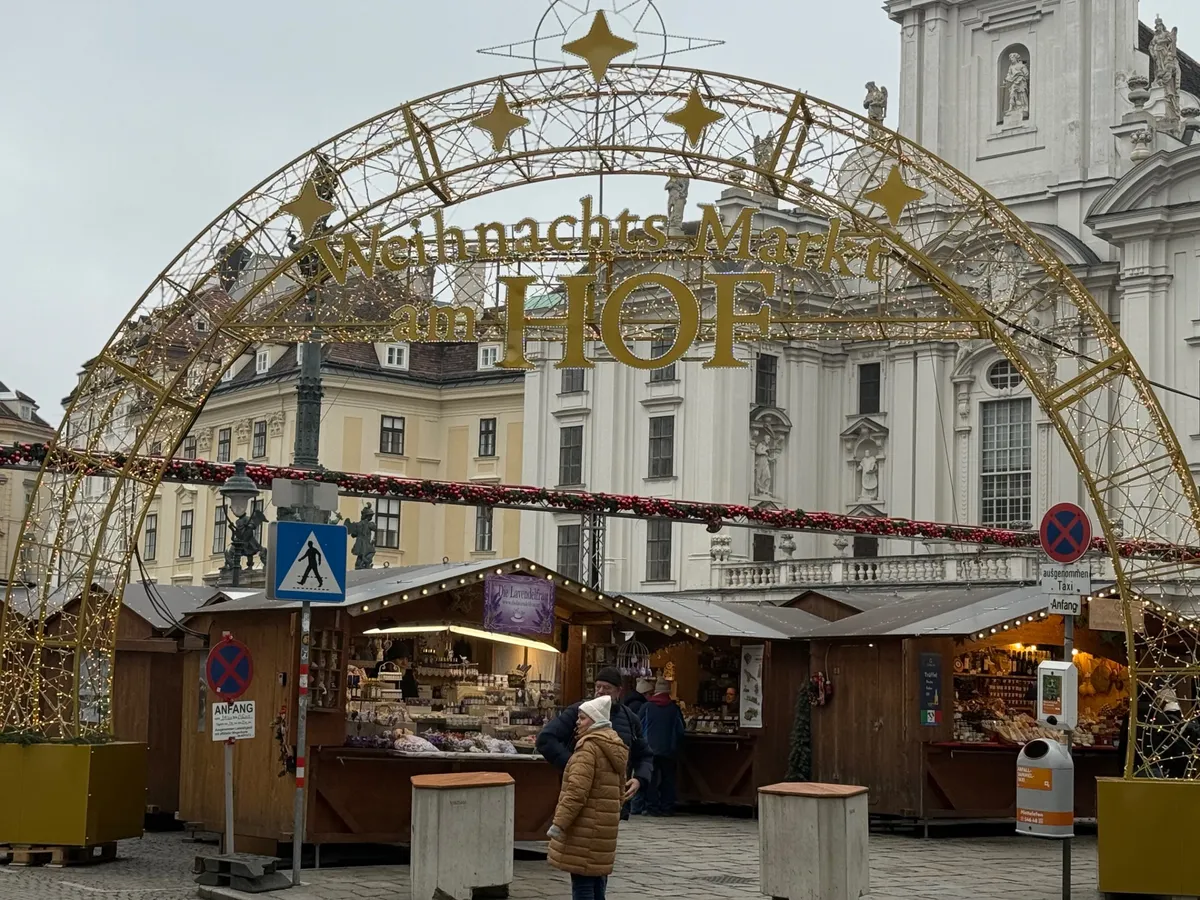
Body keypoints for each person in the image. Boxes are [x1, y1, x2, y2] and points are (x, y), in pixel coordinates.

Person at [537, 666, 653, 821]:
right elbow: (546, 739)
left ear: (618, 691)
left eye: (607, 688)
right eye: (598, 687)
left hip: (612, 798)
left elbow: (644, 754)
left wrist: (640, 778)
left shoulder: (630, 718)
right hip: (581, 792)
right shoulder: (579, 712)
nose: (600, 691)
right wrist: (573, 764)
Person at [547, 694, 628, 900]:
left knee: (582, 884)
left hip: (584, 828)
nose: (577, 722)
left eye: (582, 718)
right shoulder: (615, 747)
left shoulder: (588, 749)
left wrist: (559, 824)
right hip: (603, 828)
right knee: (597, 880)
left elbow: (576, 792)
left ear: (596, 720)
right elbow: (620, 791)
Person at [639, 679, 685, 816]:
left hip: (649, 748)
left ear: (655, 691)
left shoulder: (647, 707)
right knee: (668, 779)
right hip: (669, 749)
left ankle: (652, 807)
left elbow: (638, 726)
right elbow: (681, 729)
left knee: (651, 779)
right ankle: (667, 806)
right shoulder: (674, 709)